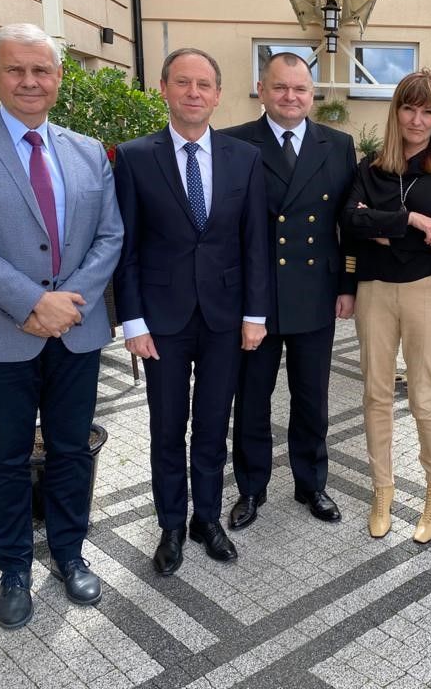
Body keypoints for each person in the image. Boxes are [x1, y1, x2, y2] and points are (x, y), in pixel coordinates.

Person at [0, 23, 123, 629]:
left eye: (42, 70)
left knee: (71, 448)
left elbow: (110, 235)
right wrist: (33, 303)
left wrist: (70, 301)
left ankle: (68, 552)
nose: (30, 81)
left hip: (77, 329)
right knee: (7, 456)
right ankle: (13, 566)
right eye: (17, 69)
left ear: (60, 78)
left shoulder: (88, 150)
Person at [113, 48, 268, 576]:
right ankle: (172, 524)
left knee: (210, 425)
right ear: (163, 88)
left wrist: (256, 314)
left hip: (225, 317)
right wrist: (132, 322)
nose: (194, 93)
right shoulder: (134, 157)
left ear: (218, 94)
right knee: (166, 427)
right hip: (162, 322)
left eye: (204, 84)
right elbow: (125, 245)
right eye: (183, 83)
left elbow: (255, 244)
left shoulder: (243, 158)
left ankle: (206, 518)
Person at [222, 53, 356, 529]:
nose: (291, 97)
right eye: (281, 88)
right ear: (262, 89)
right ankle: (251, 489)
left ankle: (311, 484)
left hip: (314, 291)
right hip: (256, 299)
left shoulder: (338, 145)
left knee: (311, 397)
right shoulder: (234, 142)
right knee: (252, 398)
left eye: (300, 89)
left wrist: (347, 284)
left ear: (312, 94)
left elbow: (348, 225)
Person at [342, 70, 431, 543]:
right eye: (409, 108)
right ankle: (383, 491)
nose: (417, 120)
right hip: (374, 292)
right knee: (375, 395)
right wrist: (413, 222)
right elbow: (347, 221)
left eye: (428, 111)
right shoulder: (372, 167)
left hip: (425, 291)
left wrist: (381, 229)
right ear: (396, 111)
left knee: (424, 398)